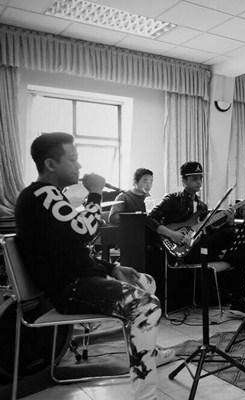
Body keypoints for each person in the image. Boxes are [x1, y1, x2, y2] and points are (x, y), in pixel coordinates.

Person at [15, 132, 166, 400]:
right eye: (72, 159)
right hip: (69, 290)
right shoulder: (41, 194)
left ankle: (146, 351)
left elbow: (72, 250)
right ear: (50, 164)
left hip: (79, 281)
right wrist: (95, 192)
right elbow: (85, 230)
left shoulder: (51, 196)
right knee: (146, 306)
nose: (79, 165)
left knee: (146, 282)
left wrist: (112, 269)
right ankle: (146, 396)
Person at [147, 161, 245, 314]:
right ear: (184, 180)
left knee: (239, 246)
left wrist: (228, 221)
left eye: (200, 178)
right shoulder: (172, 199)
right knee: (234, 243)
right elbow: (149, 219)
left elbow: (207, 230)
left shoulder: (201, 206)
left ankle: (238, 301)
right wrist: (172, 234)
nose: (199, 182)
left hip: (200, 245)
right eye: (194, 178)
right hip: (184, 251)